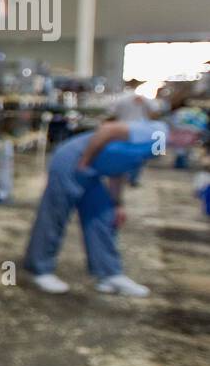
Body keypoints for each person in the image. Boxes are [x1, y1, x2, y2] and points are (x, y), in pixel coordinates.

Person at [23, 118, 168, 297]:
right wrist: (85, 160)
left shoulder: (155, 150)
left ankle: (110, 274)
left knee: (104, 216)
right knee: (55, 214)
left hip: (93, 170)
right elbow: (108, 129)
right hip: (72, 160)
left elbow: (118, 170)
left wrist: (117, 204)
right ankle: (40, 270)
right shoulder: (159, 133)